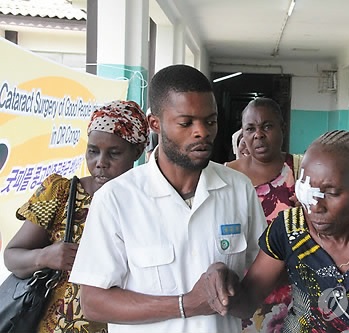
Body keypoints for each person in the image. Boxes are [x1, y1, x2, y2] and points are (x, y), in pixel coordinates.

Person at [69, 65, 267, 333]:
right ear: (155, 124)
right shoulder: (116, 199)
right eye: (186, 123)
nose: (202, 132)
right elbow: (93, 303)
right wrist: (187, 304)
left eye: (210, 121)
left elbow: (257, 285)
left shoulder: (238, 189)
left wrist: (230, 286)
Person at [205, 130, 349, 333]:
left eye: (331, 193)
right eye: (308, 191)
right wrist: (222, 281)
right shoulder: (289, 229)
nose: (315, 206)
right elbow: (247, 302)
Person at [3, 100, 149, 333]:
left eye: (114, 153)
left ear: (138, 151)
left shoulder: (148, 202)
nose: (100, 163)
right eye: (93, 151)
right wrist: (45, 256)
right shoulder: (60, 193)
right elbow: (11, 257)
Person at [226, 98, 296, 332]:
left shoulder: (301, 170)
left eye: (267, 126)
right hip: (240, 293)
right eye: (250, 129)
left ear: (282, 128)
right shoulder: (225, 175)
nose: (258, 135)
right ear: (242, 134)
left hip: (291, 294)